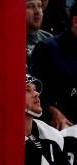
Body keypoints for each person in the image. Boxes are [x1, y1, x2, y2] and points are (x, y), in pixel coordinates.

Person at [0, 74, 77, 165]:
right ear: (11, 97)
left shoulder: (51, 134)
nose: (36, 94)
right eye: (27, 90)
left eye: (35, 90)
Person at [31, 2, 77, 130]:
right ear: (75, 21)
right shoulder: (47, 48)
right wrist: (53, 111)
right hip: (54, 128)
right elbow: (35, 90)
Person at [26, 0, 54, 67]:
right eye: (31, 6)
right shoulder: (12, 41)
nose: (37, 11)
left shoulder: (48, 38)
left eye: (39, 6)